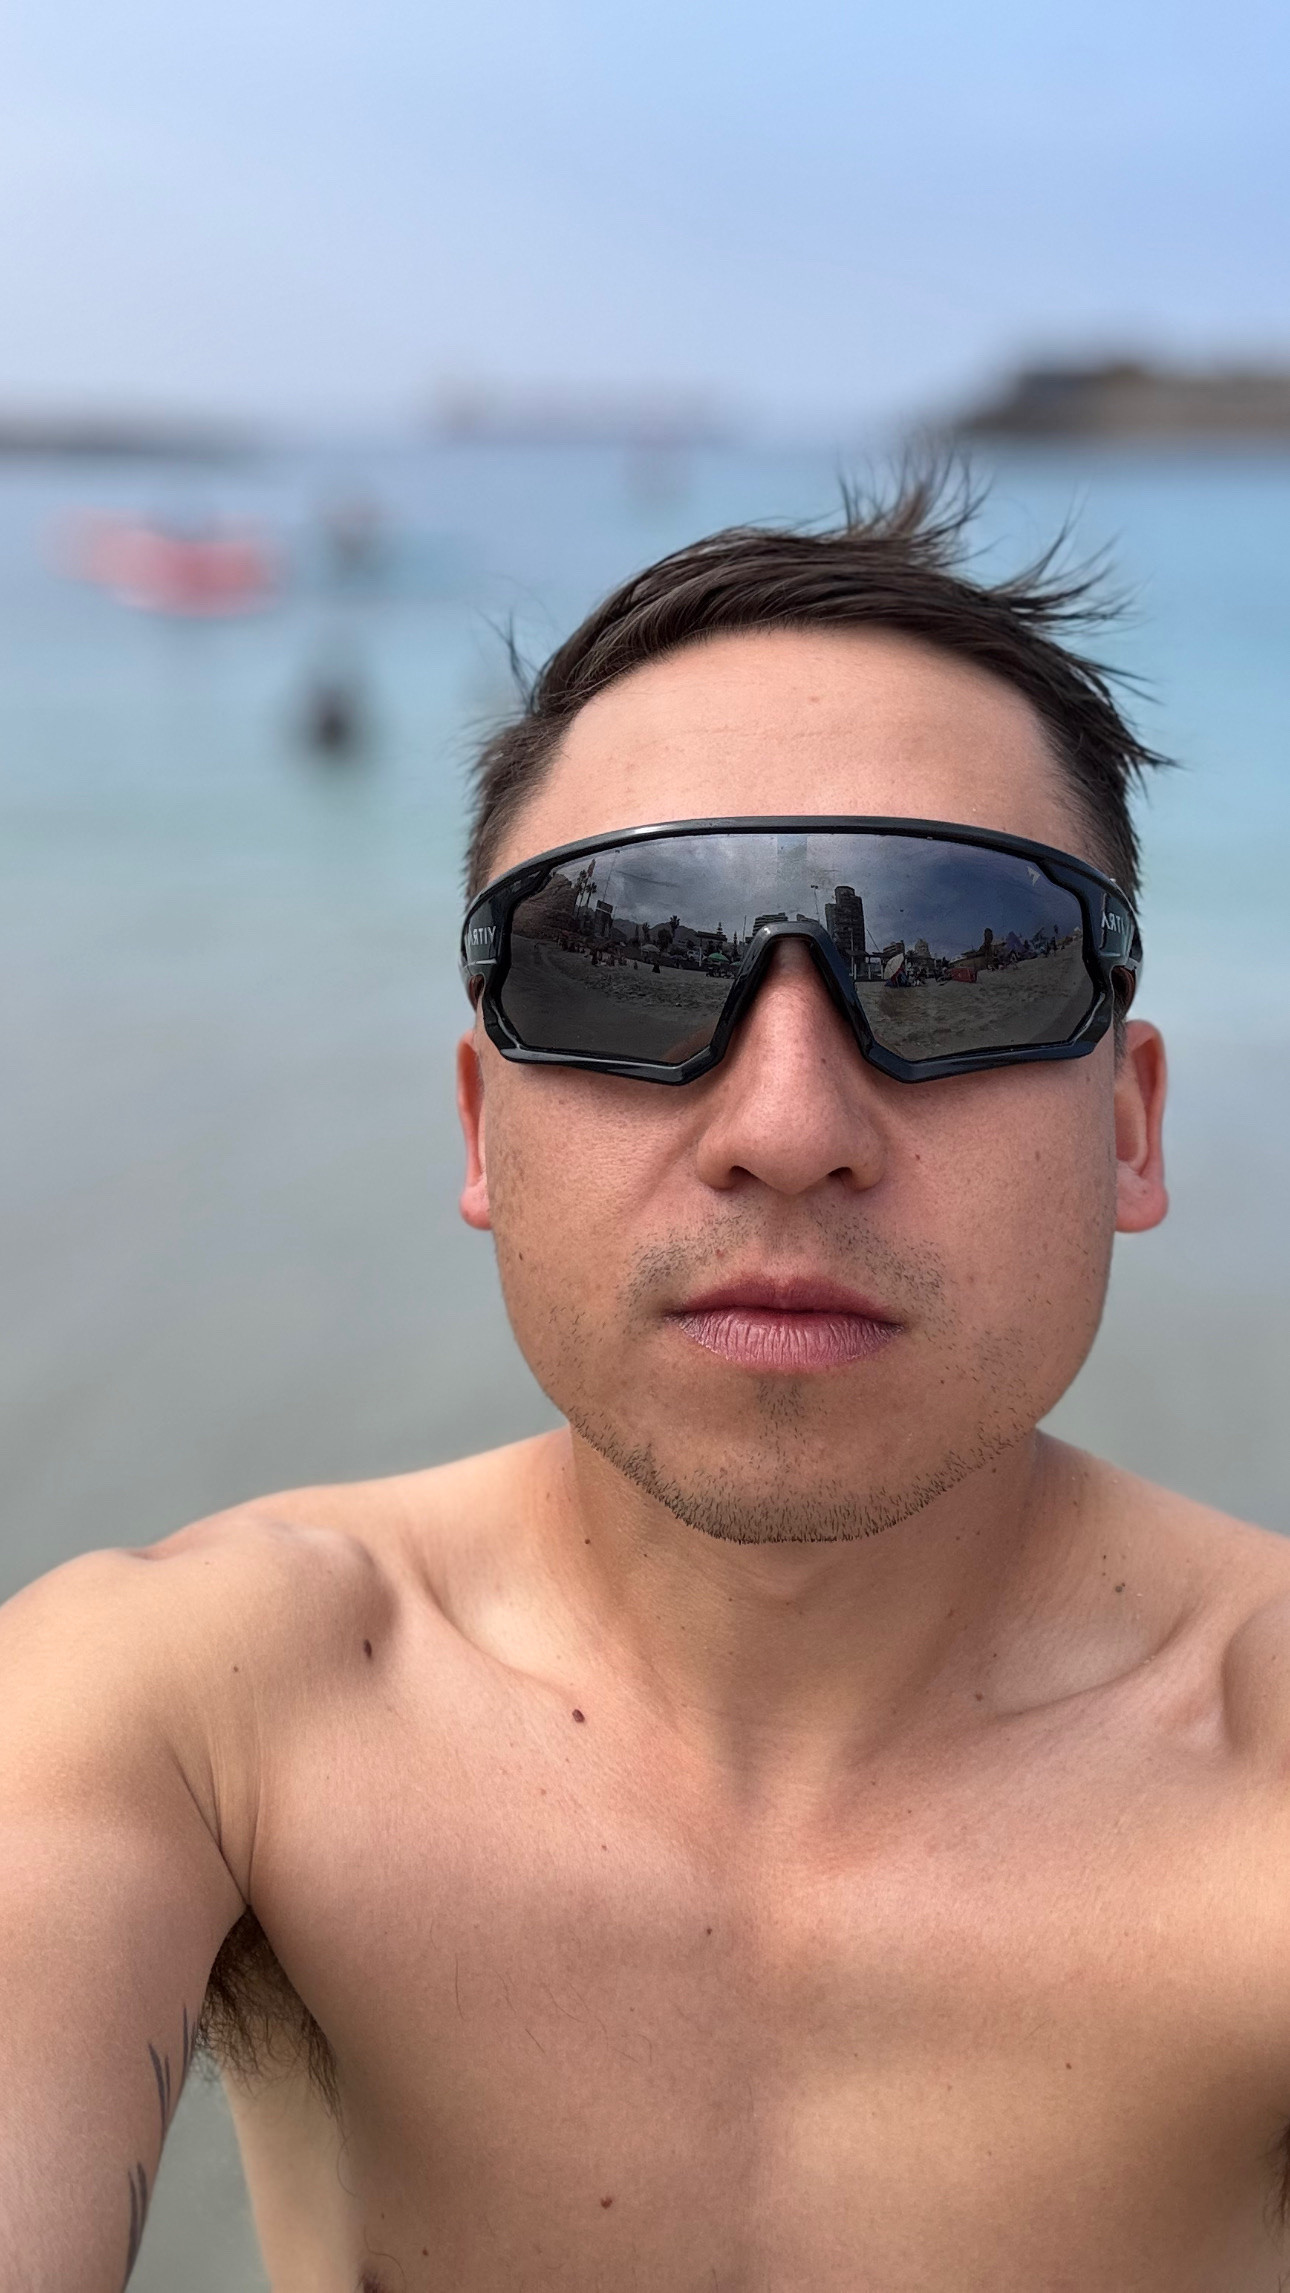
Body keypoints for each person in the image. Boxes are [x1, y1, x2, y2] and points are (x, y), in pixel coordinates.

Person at [5, 477, 1289, 2293]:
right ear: (479, 1127)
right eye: (621, 959)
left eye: (957, 957)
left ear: (1131, 1128)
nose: (788, 1125)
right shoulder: (203, 1716)